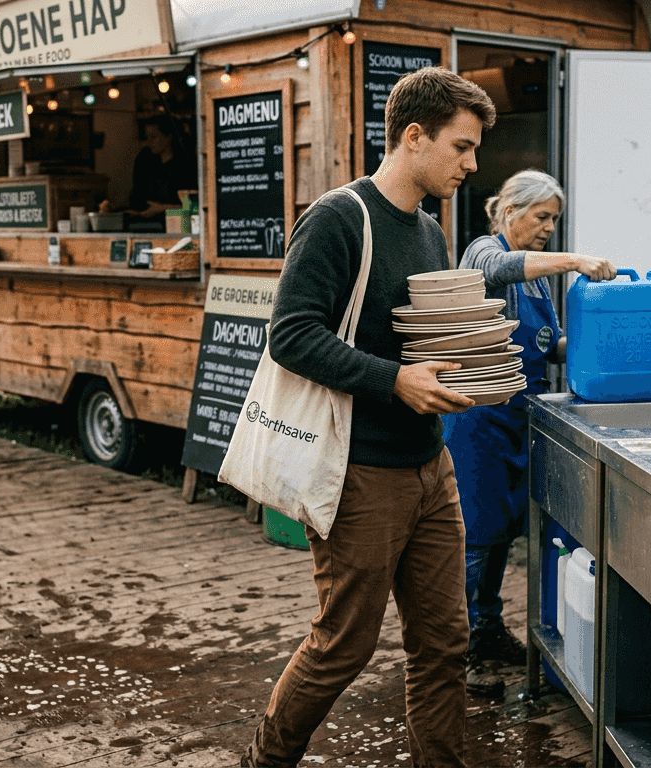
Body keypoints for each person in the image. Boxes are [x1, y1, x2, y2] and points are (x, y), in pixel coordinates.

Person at [241, 67, 495, 768]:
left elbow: (424, 339)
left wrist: (465, 369)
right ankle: (266, 759)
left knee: (445, 642)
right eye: (462, 147)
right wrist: (395, 382)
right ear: (414, 137)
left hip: (429, 468)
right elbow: (291, 334)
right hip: (359, 474)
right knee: (343, 645)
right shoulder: (337, 217)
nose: (472, 165)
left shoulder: (433, 232)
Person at [442, 170, 616, 698]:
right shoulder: (481, 252)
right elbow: (500, 269)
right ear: (509, 211)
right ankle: (459, 653)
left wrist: (604, 344)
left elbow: (547, 344)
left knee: (500, 535)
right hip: (477, 418)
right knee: (474, 537)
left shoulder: (538, 279)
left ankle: (489, 630)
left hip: (520, 416)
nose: (548, 228)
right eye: (541, 217)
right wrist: (575, 261)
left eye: (554, 220)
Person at [126, 116, 196, 220]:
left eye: (153, 137)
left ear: (169, 136)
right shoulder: (145, 162)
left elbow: (194, 205)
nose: (148, 142)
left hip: (176, 223)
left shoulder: (185, 165)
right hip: (145, 224)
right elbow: (137, 196)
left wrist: (162, 208)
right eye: (147, 137)